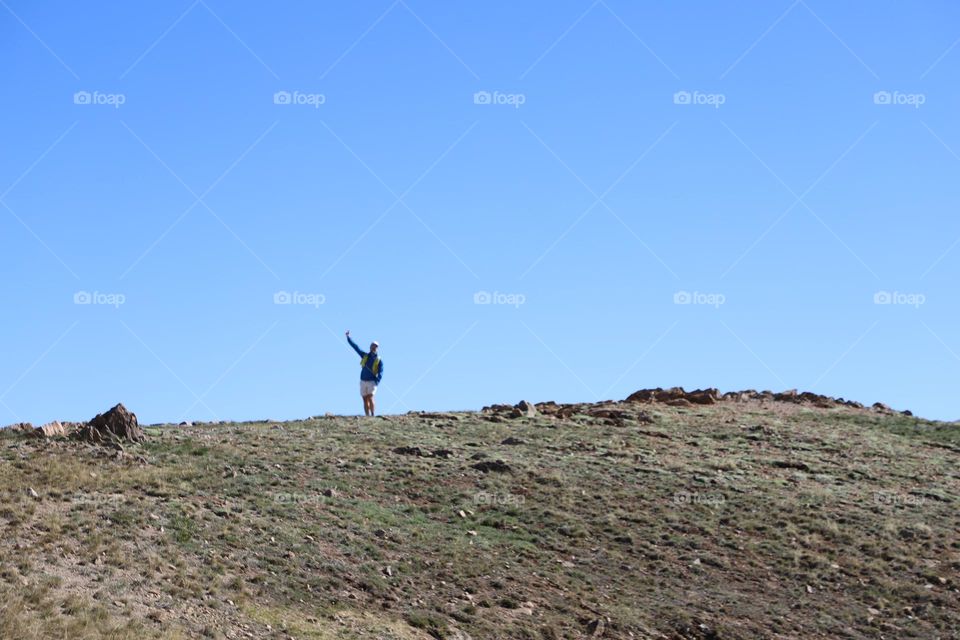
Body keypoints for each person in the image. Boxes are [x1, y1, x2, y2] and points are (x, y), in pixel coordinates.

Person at [345, 330, 383, 416]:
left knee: (370, 397)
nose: (374, 347)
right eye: (373, 346)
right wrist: (349, 338)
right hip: (362, 381)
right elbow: (356, 347)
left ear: (377, 348)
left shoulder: (379, 360)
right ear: (370, 347)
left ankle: (372, 414)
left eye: (375, 346)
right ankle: (367, 416)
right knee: (364, 399)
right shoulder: (365, 355)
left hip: (372, 382)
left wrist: (377, 381)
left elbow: (381, 372)